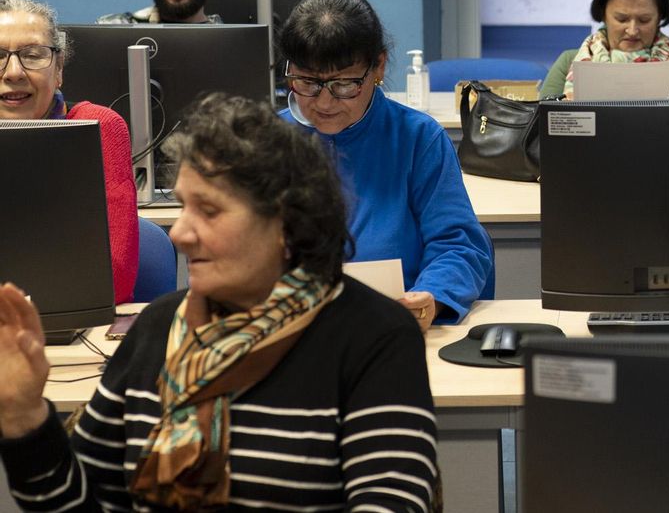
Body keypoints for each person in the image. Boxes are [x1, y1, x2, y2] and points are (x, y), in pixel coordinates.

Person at [0, 93, 438, 511]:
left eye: (208, 211)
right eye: (182, 207)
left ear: (286, 221)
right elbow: (86, 503)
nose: (178, 234)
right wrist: (25, 418)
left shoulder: (372, 337)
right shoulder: (159, 328)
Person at [278, 0, 493, 327]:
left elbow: (458, 245)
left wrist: (431, 297)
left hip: (392, 327)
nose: (323, 102)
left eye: (344, 84)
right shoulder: (272, 142)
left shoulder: (417, 138)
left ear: (378, 67)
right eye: (307, 81)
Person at [0, 0, 138, 303]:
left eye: (33, 55)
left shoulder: (98, 127)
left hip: (78, 332)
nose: (13, 73)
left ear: (59, 68)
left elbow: (114, 278)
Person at [540, 0, 669, 101]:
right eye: (621, 19)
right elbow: (544, 118)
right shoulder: (569, 62)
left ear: (659, 17)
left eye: (644, 20)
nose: (632, 31)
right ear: (603, 15)